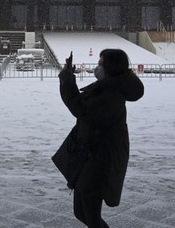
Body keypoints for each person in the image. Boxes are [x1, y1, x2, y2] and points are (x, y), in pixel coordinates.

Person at [58, 48, 145, 227]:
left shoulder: (111, 95)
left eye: (100, 63)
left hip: (99, 160)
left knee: (90, 216)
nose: (97, 67)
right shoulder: (107, 87)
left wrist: (67, 78)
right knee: (81, 212)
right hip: (89, 157)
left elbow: (80, 108)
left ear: (111, 67)